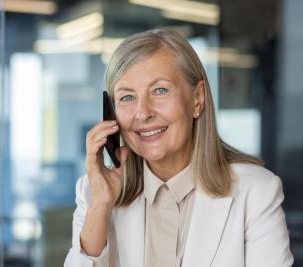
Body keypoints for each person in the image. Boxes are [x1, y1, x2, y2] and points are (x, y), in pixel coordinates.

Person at [64, 28, 294, 267]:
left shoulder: (256, 191)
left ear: (198, 99)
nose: (143, 113)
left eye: (160, 90)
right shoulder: (93, 193)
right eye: (127, 97)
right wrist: (100, 205)